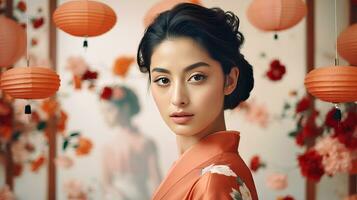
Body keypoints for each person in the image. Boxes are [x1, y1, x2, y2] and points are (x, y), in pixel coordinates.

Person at [137, 3, 258, 200]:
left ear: (229, 80)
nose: (177, 99)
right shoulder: (205, 169)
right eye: (163, 80)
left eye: (197, 77)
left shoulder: (214, 179)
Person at [99, 85, 162, 200]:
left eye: (109, 110)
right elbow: (106, 183)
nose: (105, 116)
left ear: (125, 108)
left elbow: (157, 182)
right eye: (103, 111)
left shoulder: (145, 142)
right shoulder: (108, 146)